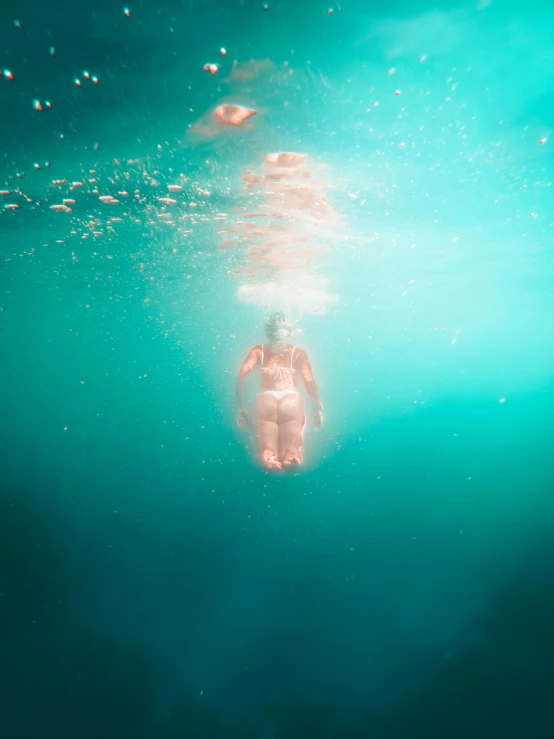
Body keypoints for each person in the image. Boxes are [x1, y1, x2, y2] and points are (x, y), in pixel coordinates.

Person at [237, 313, 324, 470]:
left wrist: (241, 406)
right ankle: (291, 456)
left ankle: (269, 460)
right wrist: (319, 406)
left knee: (267, 453)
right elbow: (309, 380)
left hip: (266, 399)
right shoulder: (298, 353)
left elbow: (243, 373)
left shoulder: (259, 351)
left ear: (269, 329)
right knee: (293, 454)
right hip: (291, 400)